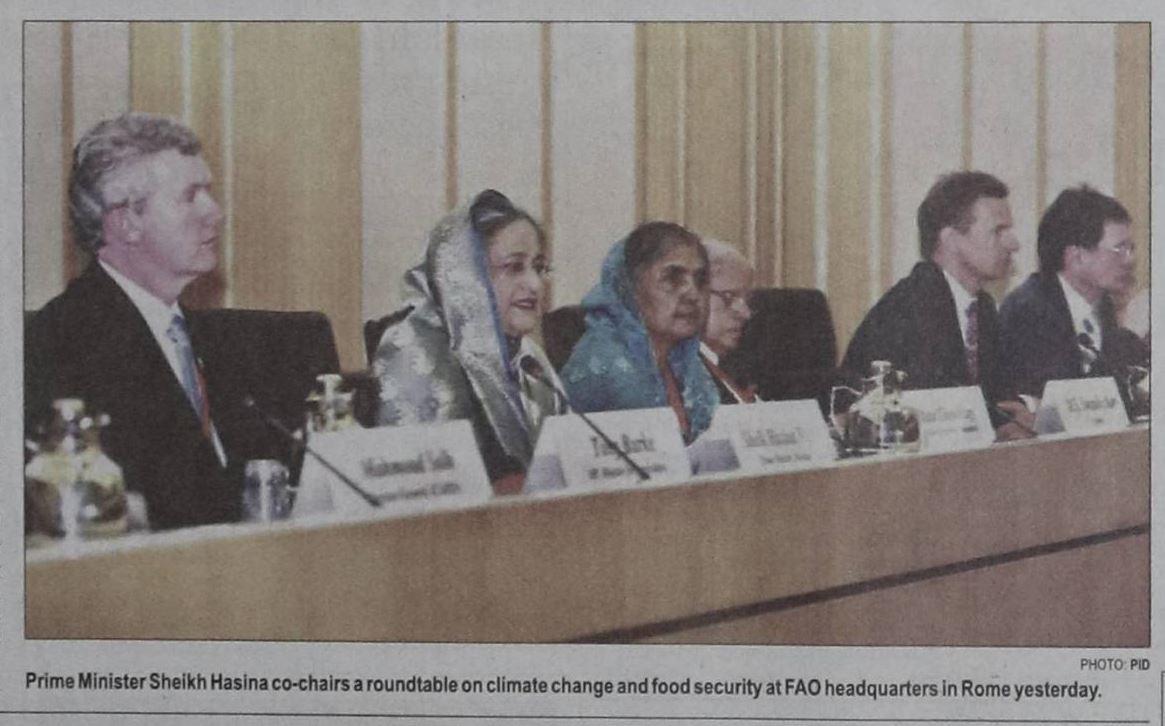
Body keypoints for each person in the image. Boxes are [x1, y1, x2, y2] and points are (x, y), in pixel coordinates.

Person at [25, 112, 247, 530]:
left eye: (209, 192)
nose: (214, 212)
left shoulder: (225, 342)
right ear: (127, 222)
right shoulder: (56, 345)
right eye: (190, 196)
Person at [372, 189, 565, 493]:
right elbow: (422, 491)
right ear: (465, 276)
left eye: (539, 268)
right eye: (514, 267)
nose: (535, 284)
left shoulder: (529, 357)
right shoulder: (415, 349)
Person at [841, 170, 1033, 440]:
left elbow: (996, 399)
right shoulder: (910, 306)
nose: (1013, 244)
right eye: (998, 231)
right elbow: (931, 409)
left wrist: (1016, 415)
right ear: (951, 239)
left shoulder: (982, 307)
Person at [561, 222, 720, 442]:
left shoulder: (690, 365)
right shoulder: (604, 363)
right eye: (672, 278)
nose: (692, 294)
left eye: (700, 279)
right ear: (630, 287)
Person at [998, 186, 1149, 399]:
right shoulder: (1028, 310)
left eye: (1131, 249)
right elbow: (1065, 402)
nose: (1130, 259)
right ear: (1076, 256)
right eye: (1119, 249)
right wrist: (1128, 334)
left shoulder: (1103, 304)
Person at [699, 239, 758, 404]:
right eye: (729, 296)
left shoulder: (737, 364)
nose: (745, 313)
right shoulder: (673, 375)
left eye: (747, 299)